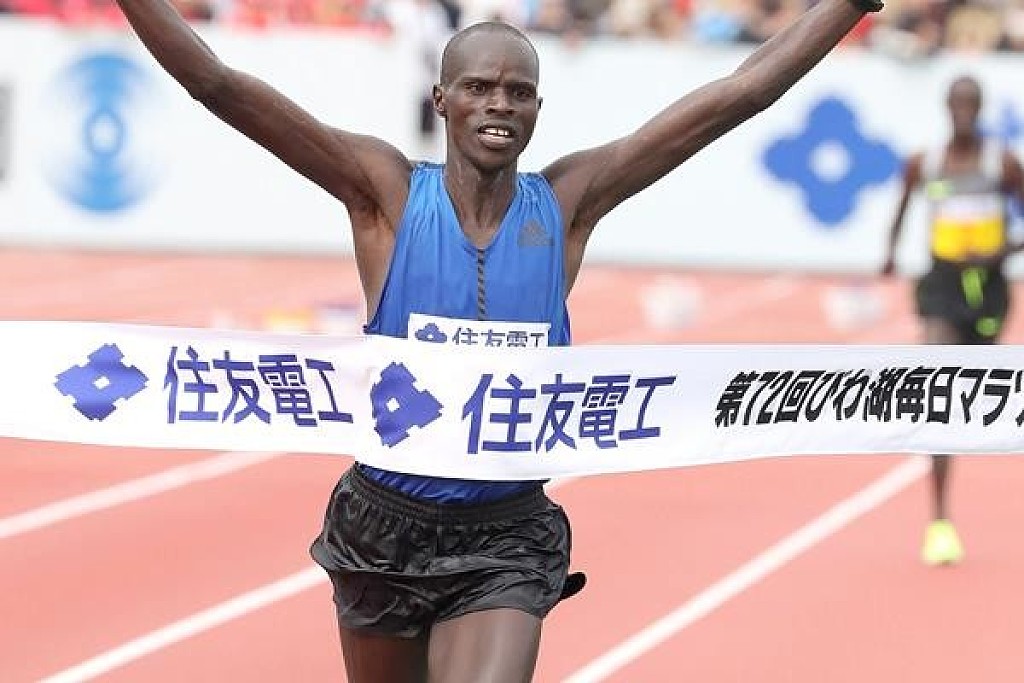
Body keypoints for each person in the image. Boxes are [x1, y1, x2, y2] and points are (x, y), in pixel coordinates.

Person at [109, 0, 884, 678]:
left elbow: (738, 95)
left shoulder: (569, 203)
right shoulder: (384, 193)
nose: (498, 105)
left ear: (539, 107)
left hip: (505, 536)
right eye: (478, 87)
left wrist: (846, 8)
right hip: (383, 527)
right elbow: (218, 84)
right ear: (441, 99)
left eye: (518, 92)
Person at [882, 75, 1024, 568]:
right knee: (939, 387)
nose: (964, 111)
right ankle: (940, 521)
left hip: (988, 290)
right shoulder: (926, 162)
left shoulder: (1001, 163)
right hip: (941, 285)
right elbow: (902, 209)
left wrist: (1000, 250)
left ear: (980, 108)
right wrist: (889, 254)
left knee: (975, 390)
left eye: (971, 103)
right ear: (947, 107)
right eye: (957, 103)